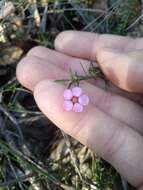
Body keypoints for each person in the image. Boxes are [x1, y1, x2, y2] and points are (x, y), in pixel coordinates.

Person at [16, 31, 143, 189]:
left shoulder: (77, 93)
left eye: (75, 99)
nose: (75, 99)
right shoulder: (73, 95)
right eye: (74, 99)